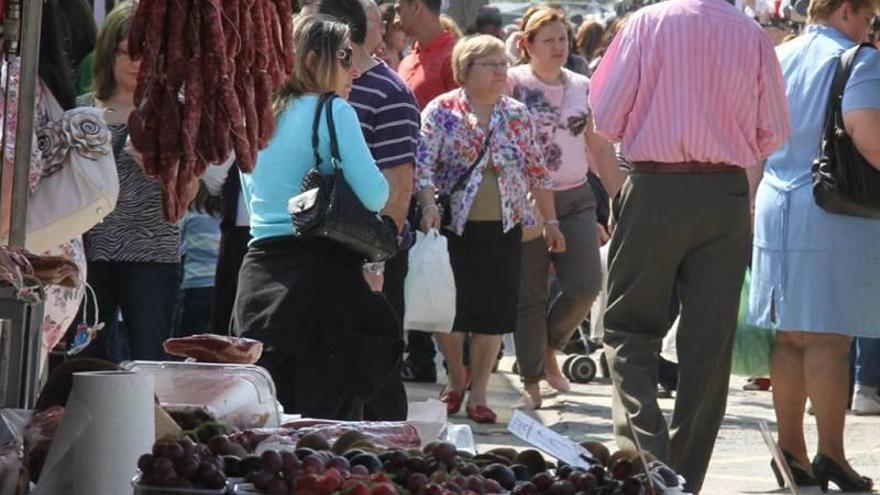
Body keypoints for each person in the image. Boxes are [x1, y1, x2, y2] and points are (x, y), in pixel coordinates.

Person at [588, 0, 791, 491]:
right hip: (724, 192)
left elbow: (606, 116)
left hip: (656, 184)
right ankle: (684, 479)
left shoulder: (647, 23)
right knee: (710, 343)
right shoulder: (751, 33)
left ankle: (647, 458)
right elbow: (775, 132)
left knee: (627, 328)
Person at [234, 14, 397, 420]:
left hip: (258, 280)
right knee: (322, 432)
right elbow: (376, 195)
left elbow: (251, 192)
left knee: (265, 423)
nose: (355, 70)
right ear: (310, 60)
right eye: (345, 57)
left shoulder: (258, 113)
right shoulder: (333, 111)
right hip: (321, 281)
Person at [748, 0, 880, 489]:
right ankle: (831, 455)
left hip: (774, 200)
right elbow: (870, 137)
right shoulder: (859, 59)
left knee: (790, 337)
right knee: (829, 336)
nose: (870, 26)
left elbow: (755, 138)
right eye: (868, 15)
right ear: (846, 9)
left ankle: (792, 452)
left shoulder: (778, 56)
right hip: (831, 208)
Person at [416, 35, 561, 424]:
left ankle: (478, 391)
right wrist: (428, 205)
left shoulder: (515, 113)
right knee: (449, 311)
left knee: (493, 314)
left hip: (505, 227)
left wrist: (550, 222)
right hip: (452, 227)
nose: (501, 71)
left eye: (503, 63)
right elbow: (423, 166)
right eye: (491, 65)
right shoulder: (441, 111)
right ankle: (455, 376)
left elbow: (536, 170)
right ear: (466, 70)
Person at [507, 6, 621, 410]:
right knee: (530, 295)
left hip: (575, 196)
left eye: (563, 39)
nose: (559, 47)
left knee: (586, 284)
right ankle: (533, 380)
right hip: (527, 200)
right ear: (527, 45)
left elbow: (599, 146)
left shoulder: (583, 85)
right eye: (549, 40)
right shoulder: (512, 85)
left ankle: (551, 346)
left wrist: (618, 197)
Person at [316, 0, 421, 421]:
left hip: (372, 257)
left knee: (376, 373)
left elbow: (400, 189)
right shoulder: (315, 88)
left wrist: (377, 258)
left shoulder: (390, 92)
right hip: (325, 253)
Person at [77, 2, 180, 363]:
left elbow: (192, 193)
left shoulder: (172, 112)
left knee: (150, 359)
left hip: (153, 254)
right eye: (126, 53)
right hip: (91, 255)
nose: (136, 63)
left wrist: (164, 168)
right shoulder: (81, 113)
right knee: (87, 358)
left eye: (146, 53)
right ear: (108, 54)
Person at [0, 0, 100, 370]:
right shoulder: (42, 82)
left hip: (26, 269)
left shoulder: (14, 79)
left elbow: (12, 178)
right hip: (47, 266)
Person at [395, 0, 460, 383]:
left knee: (438, 273)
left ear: (418, 7)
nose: (395, 14)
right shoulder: (409, 60)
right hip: (411, 184)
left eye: (401, 6)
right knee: (417, 272)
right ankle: (419, 354)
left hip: (442, 192)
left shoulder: (453, 57)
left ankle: (450, 362)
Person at [176, 183, 222, 337]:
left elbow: (178, 246)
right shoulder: (229, 218)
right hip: (222, 284)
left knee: (191, 339)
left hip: (194, 285)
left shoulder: (190, 214)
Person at [379, 3, 408, 70]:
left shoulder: (407, 60)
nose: (406, 33)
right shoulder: (379, 60)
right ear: (387, 28)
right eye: (400, 28)